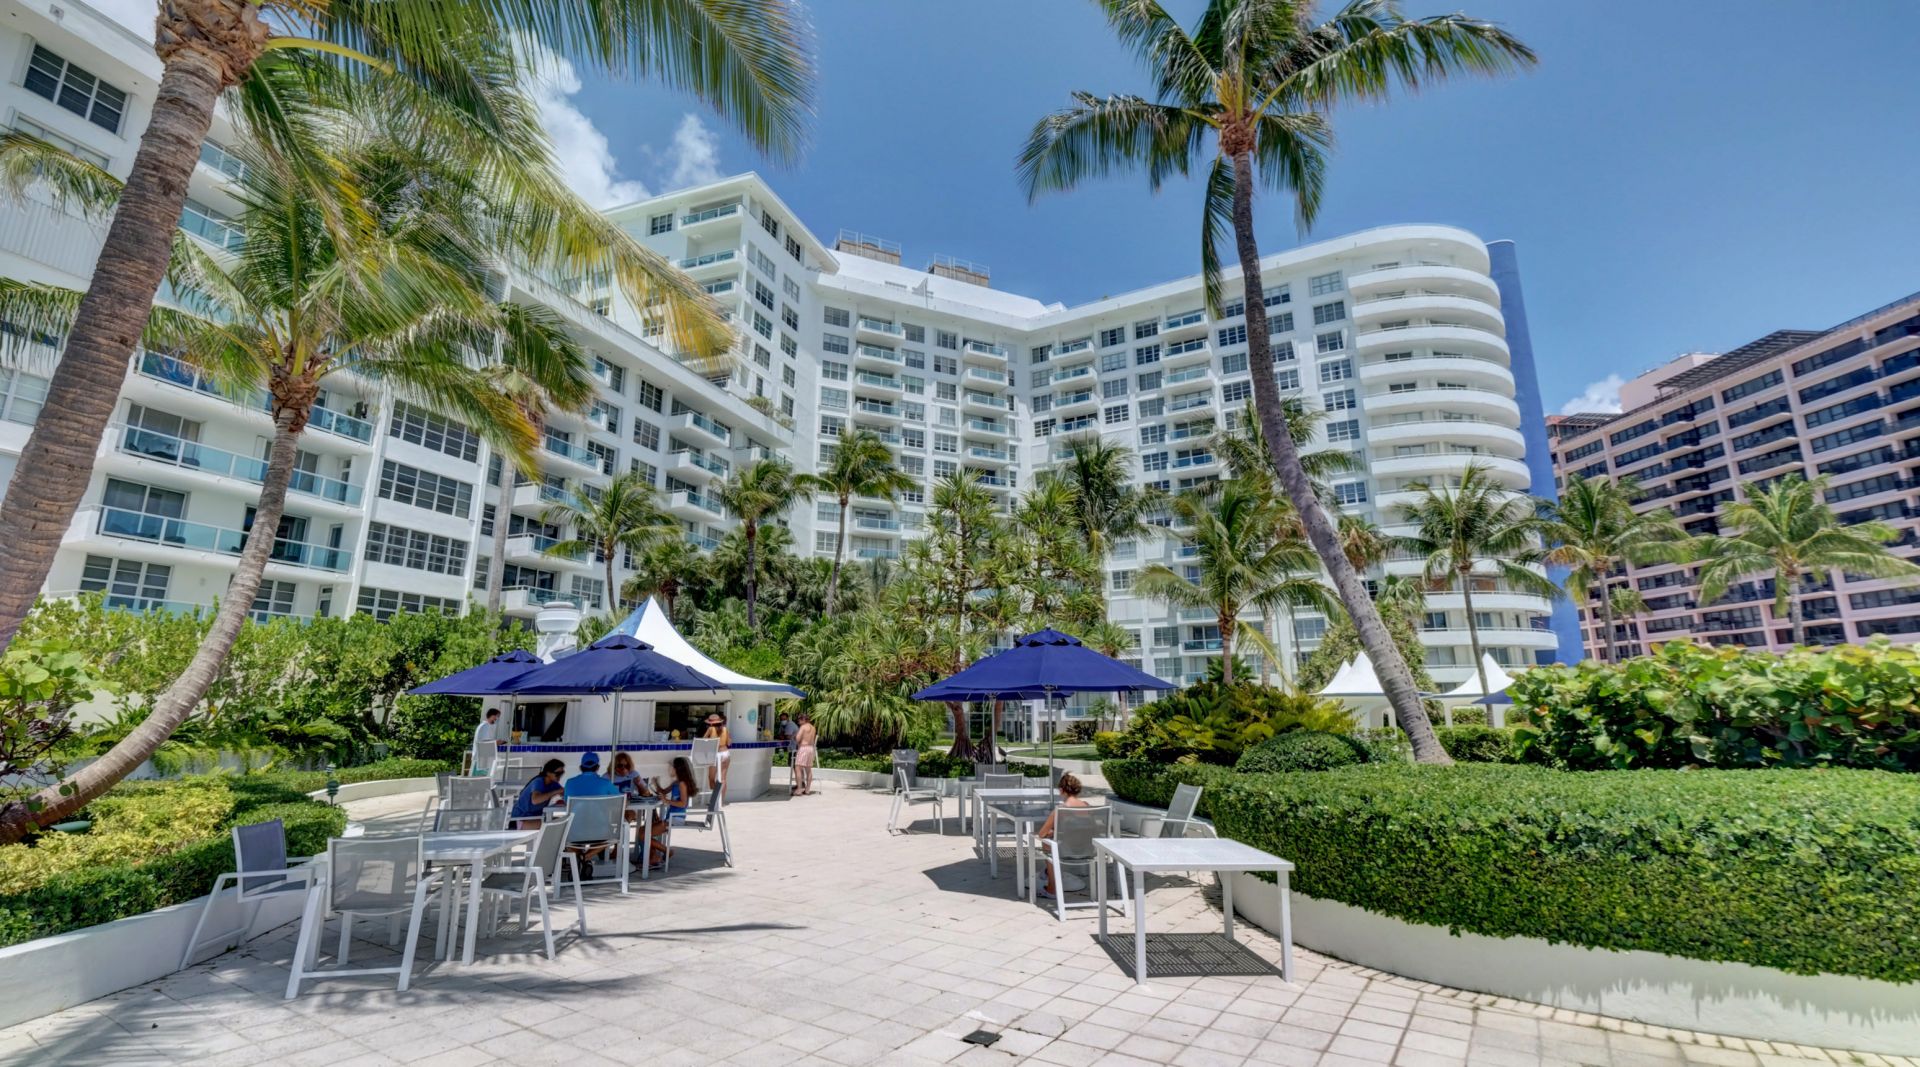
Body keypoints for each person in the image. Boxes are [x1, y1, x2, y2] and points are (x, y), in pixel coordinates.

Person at [1033, 773, 1091, 900]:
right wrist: (1059, 832)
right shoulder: (1087, 806)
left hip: (1064, 851)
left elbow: (1041, 834)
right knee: (1052, 840)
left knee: (1046, 842)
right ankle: (1047, 873)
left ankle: (1052, 889)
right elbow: (1087, 828)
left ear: (1061, 790)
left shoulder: (1060, 809)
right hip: (1087, 850)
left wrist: (1052, 832)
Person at [643, 756, 699, 869]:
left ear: (677, 769)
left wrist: (667, 801)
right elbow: (663, 792)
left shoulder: (682, 784)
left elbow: (683, 804)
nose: (669, 770)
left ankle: (666, 852)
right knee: (643, 831)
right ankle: (653, 856)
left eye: (670, 767)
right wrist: (656, 783)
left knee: (644, 834)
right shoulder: (676, 783)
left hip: (676, 818)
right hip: (670, 816)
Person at [508, 759, 565, 829]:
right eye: (558, 773)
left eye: (562, 773)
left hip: (534, 818)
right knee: (554, 824)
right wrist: (555, 792)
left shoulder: (553, 784)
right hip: (520, 820)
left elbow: (564, 793)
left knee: (561, 820)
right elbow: (535, 800)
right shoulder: (538, 781)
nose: (560, 775)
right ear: (548, 773)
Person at [701, 712, 732, 789]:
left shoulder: (710, 729)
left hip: (715, 754)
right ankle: (721, 797)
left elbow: (703, 741)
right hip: (725, 753)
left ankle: (715, 796)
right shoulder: (725, 729)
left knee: (711, 778)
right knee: (723, 779)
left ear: (711, 723)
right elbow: (729, 743)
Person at [791, 712, 818, 797]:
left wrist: (794, 736)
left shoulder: (803, 727)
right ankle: (807, 789)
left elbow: (798, 739)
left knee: (797, 767)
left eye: (799, 720)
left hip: (803, 748)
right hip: (811, 749)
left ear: (803, 719)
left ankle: (799, 789)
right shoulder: (813, 727)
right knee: (808, 769)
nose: (798, 722)